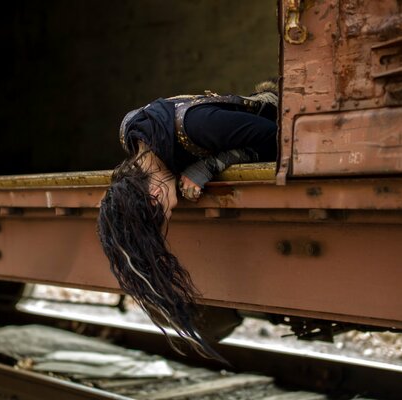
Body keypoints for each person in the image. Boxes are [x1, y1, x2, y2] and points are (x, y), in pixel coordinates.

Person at [97, 80, 278, 360]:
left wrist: (208, 166)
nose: (170, 213)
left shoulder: (197, 128)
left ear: (155, 194)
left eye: (163, 214)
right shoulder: (131, 134)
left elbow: (279, 138)